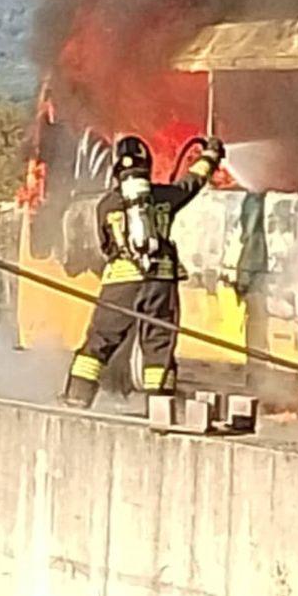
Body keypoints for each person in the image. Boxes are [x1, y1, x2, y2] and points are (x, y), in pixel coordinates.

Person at [61, 135, 225, 408]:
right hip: (160, 283)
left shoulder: (107, 205)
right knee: (159, 345)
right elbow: (191, 183)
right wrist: (210, 156)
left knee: (100, 340)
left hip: (120, 284)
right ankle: (160, 408)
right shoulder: (163, 197)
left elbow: (106, 246)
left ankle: (77, 397)